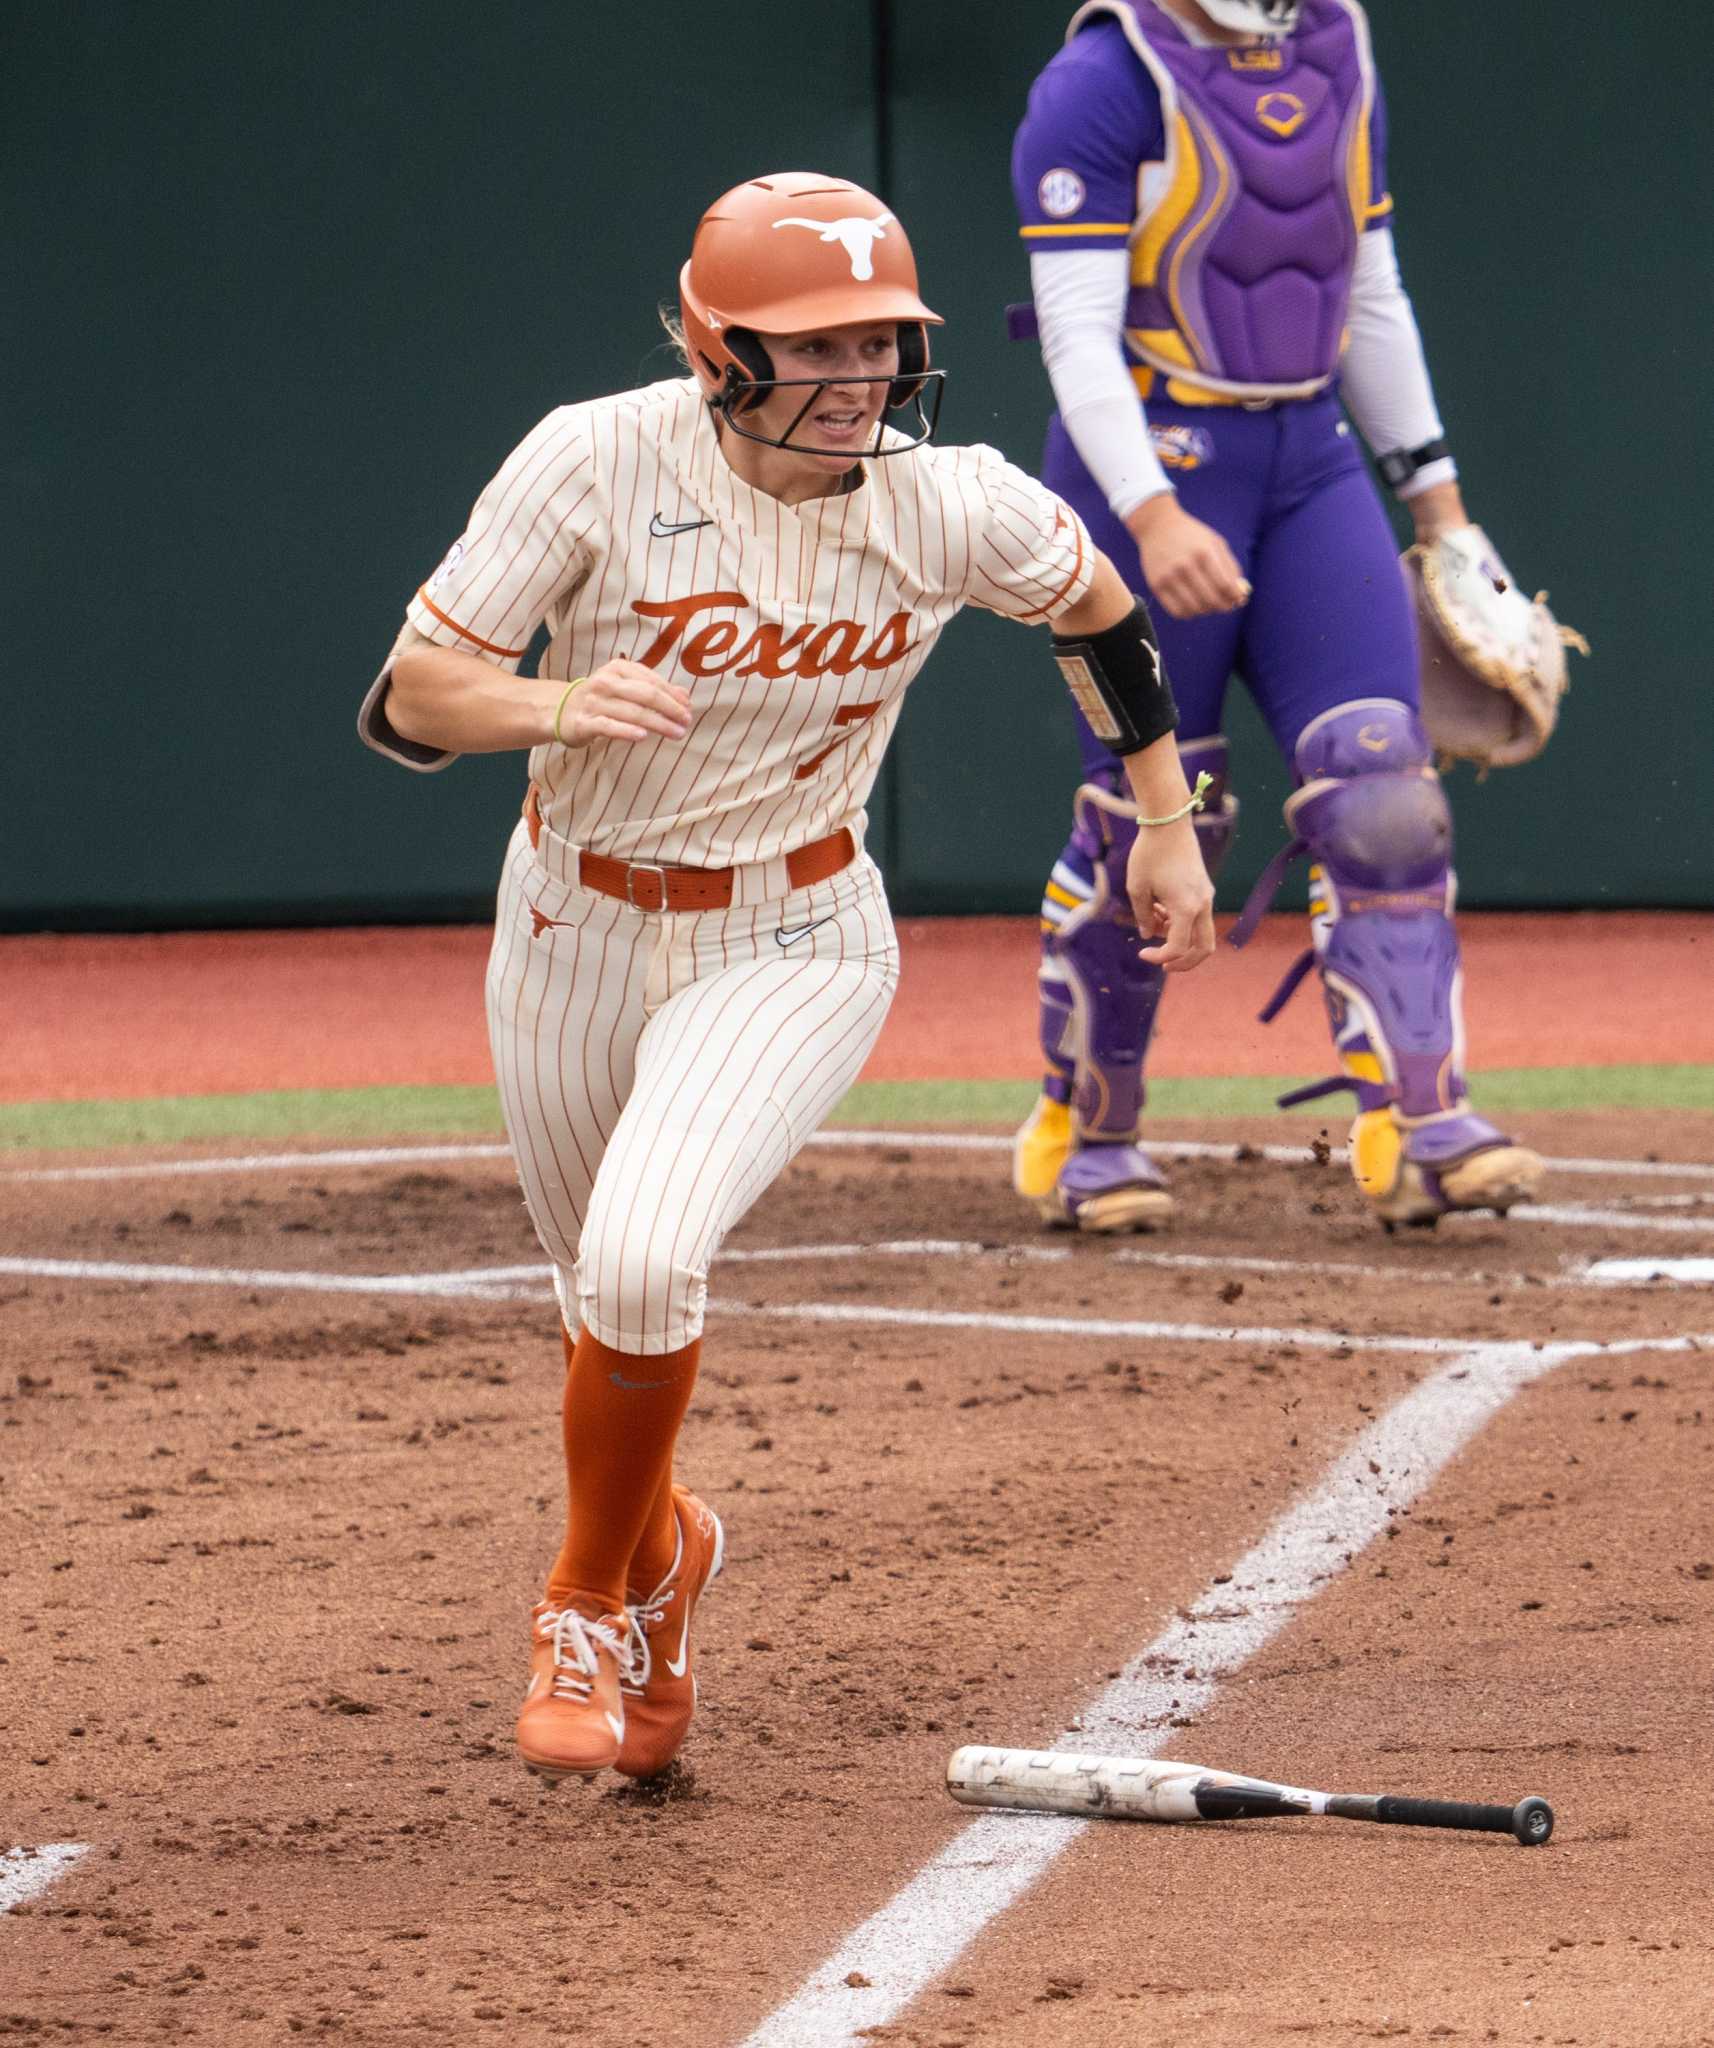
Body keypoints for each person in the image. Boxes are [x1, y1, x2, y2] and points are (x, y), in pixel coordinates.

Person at [357, 171, 1216, 1784]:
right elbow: (412, 697)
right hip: (568, 925)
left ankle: (583, 1600)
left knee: (641, 1248)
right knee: (604, 1300)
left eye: (883, 342)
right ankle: (671, 1553)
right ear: (714, 351)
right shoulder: (594, 457)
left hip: (795, 930)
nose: (862, 378)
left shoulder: (943, 497)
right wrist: (550, 707)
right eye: (816, 347)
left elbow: (1095, 613)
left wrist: (1162, 821)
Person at [1008, 0, 1546, 1233]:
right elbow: (1077, 337)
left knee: (1382, 785)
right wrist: (1148, 514)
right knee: (1155, 804)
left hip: (1305, 453)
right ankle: (1091, 1129)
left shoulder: (1333, 43)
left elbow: (1366, 283)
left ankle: (1417, 1122)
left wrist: (1441, 510)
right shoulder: (1103, 75)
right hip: (1146, 450)